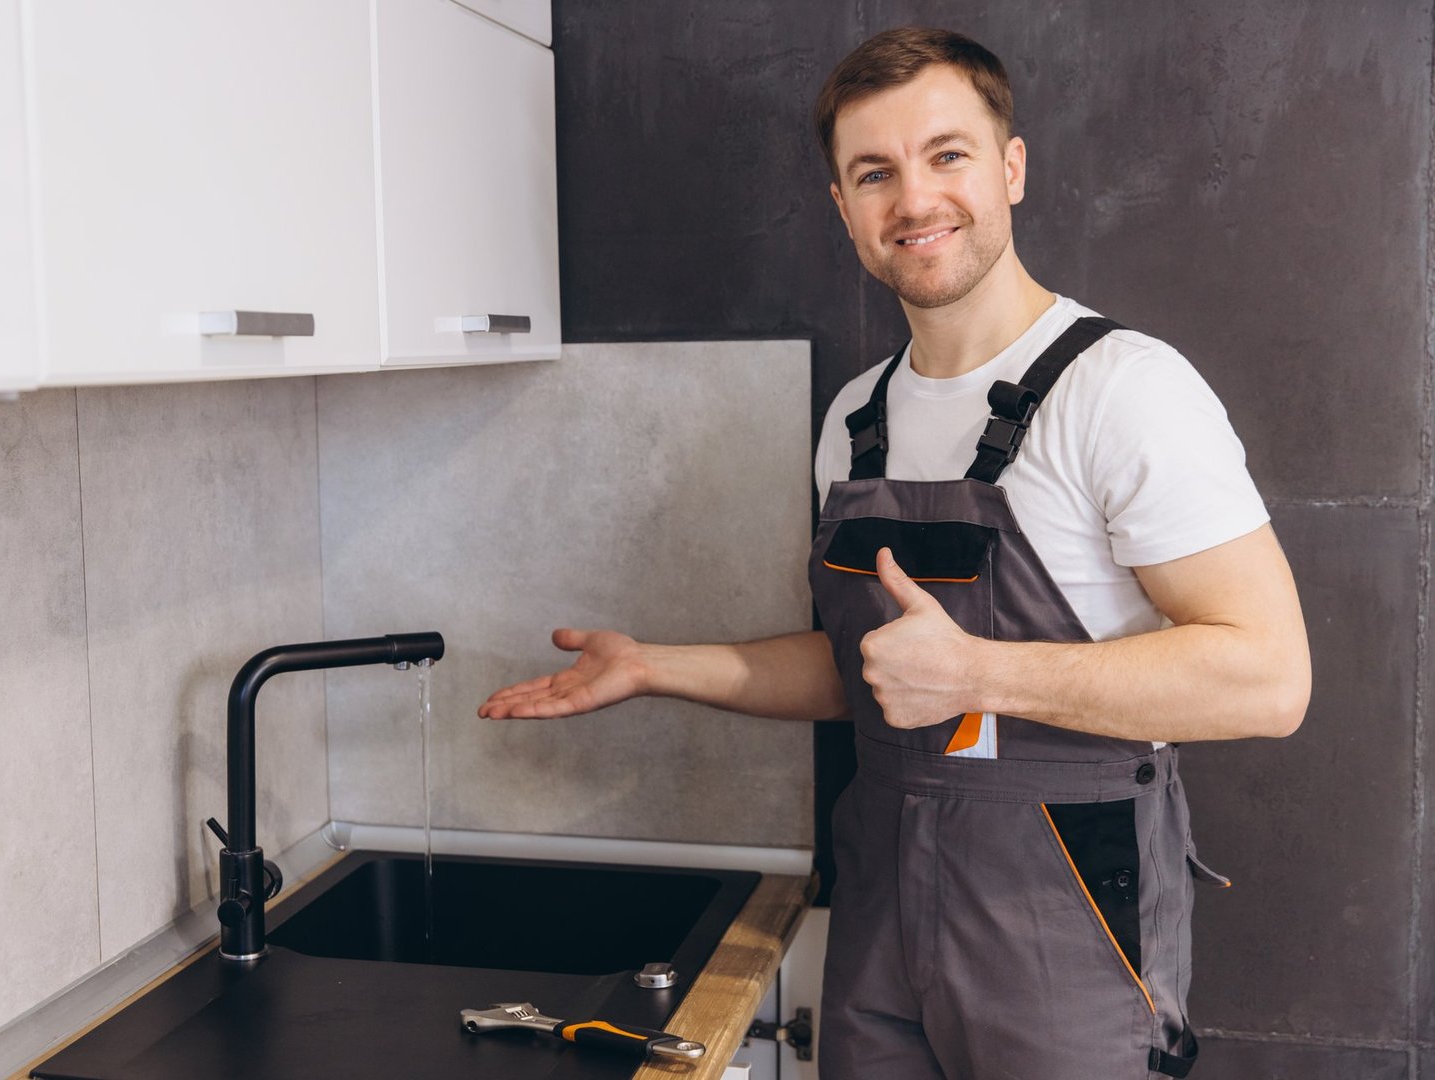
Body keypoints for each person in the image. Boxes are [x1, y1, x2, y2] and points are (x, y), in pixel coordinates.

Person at [479, 26, 1310, 1080]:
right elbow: (868, 672)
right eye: (876, 173)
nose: (915, 199)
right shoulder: (854, 420)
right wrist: (653, 667)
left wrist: (978, 673)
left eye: (947, 155)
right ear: (843, 205)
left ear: (1011, 167)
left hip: (1063, 916)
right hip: (881, 908)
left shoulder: (1124, 390)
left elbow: (1269, 678)